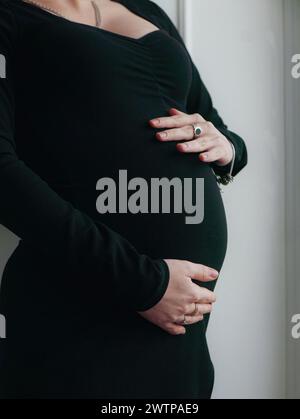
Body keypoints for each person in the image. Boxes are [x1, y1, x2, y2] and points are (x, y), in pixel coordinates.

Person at [0, 0, 247, 399]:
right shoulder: (10, 15)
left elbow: (209, 121)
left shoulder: (146, 10)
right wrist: (143, 284)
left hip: (180, 316)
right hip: (84, 302)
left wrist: (231, 148)